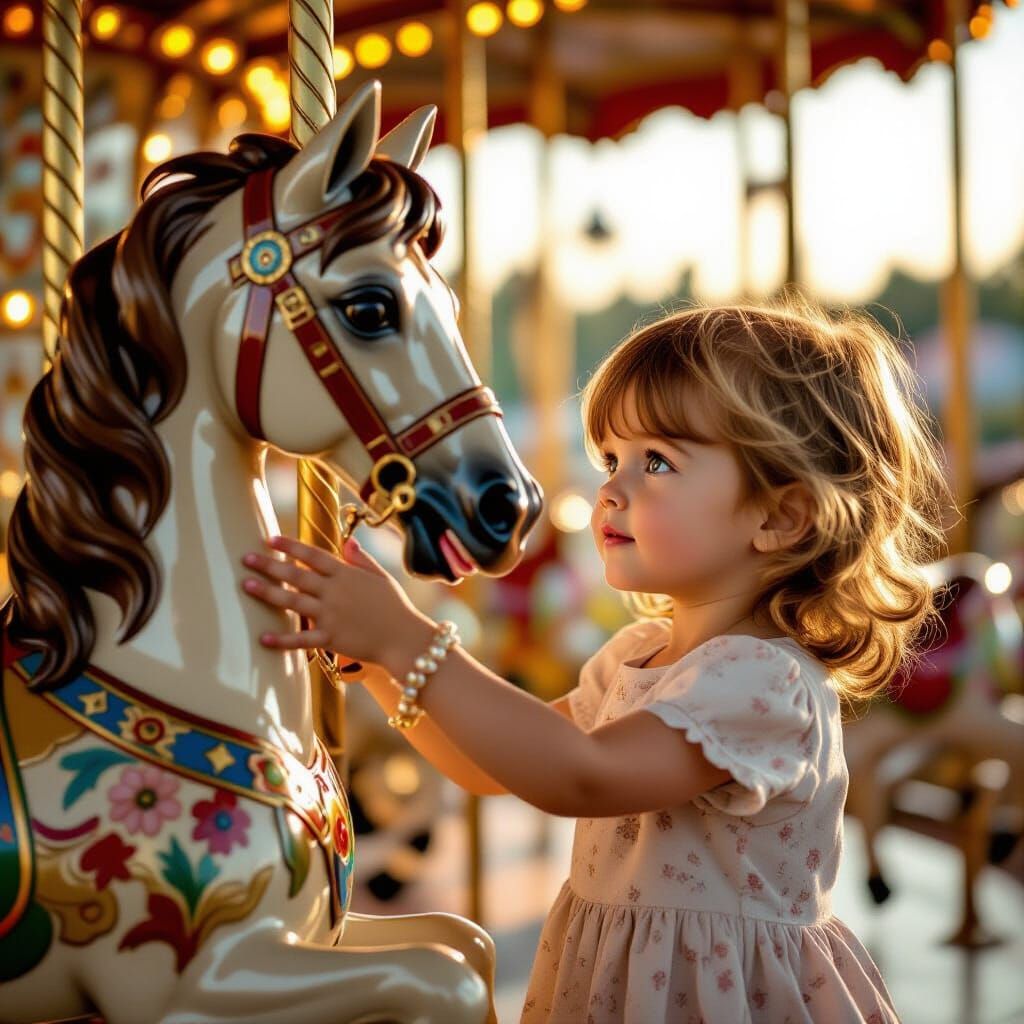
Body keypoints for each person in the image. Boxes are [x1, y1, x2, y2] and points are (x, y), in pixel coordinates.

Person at [241, 298, 954, 1023]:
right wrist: (384, 670)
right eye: (610, 458)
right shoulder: (639, 656)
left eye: (657, 462)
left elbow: (580, 773)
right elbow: (492, 767)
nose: (610, 488)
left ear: (779, 516)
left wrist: (409, 639)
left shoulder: (765, 684)